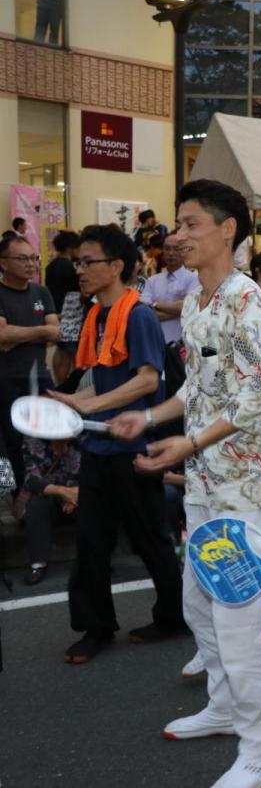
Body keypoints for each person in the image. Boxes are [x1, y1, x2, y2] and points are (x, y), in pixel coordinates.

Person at [110, 179, 261, 788]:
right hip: (206, 484)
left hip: (245, 489)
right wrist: (151, 417)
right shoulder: (193, 301)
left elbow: (253, 401)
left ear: (227, 230)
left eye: (189, 225)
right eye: (177, 227)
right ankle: (223, 707)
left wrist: (185, 443)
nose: (176, 237)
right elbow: (196, 390)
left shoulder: (246, 301)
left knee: (238, 620)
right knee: (198, 606)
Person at [46, 225, 185, 664]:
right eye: (78, 263)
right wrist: (71, 403)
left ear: (116, 266)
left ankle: (173, 616)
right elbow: (101, 384)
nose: (80, 270)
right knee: (90, 543)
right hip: (99, 450)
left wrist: (89, 407)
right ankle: (96, 626)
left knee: (151, 540)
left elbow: (146, 380)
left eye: (88, 262)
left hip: (134, 448)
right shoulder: (97, 316)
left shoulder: (138, 314)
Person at [0, 234, 59, 488]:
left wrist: (17, 335)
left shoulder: (41, 291)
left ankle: (43, 492)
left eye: (34, 258)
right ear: (3, 263)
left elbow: (54, 334)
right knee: (11, 440)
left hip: (40, 376)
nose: (31, 264)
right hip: (6, 379)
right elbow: (2, 338)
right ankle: (14, 492)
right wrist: (39, 331)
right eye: (22, 258)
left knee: (47, 433)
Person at [15, 436, 80, 585]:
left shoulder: (83, 441)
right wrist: (64, 492)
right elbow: (32, 481)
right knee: (36, 505)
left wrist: (77, 495)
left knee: (94, 502)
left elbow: (95, 476)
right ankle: (38, 565)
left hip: (77, 494)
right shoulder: (32, 442)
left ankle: (96, 559)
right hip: (50, 496)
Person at [140, 231, 200, 345]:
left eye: (176, 249)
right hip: (156, 343)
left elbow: (188, 306)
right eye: (167, 248)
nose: (171, 253)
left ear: (184, 251)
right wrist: (178, 310)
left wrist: (155, 304)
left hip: (183, 345)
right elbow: (144, 312)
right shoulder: (152, 281)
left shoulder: (194, 279)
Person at [46, 230, 83, 386]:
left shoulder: (51, 266)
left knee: (61, 349)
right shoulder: (70, 267)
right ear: (70, 248)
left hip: (54, 311)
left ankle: (60, 383)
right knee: (67, 352)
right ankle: (63, 386)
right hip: (71, 314)